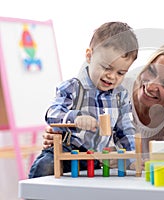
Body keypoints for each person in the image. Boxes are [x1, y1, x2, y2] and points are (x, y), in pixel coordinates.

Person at [42, 41, 164, 164]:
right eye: (151, 70)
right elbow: (67, 116)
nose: (150, 85)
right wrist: (62, 134)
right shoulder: (116, 87)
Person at [28, 21, 139, 178]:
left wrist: (132, 156)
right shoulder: (72, 87)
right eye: (107, 68)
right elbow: (52, 113)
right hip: (66, 151)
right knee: (46, 167)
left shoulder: (121, 96)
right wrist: (76, 117)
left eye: (120, 73)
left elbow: (125, 130)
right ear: (89, 56)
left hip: (95, 159)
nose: (112, 76)